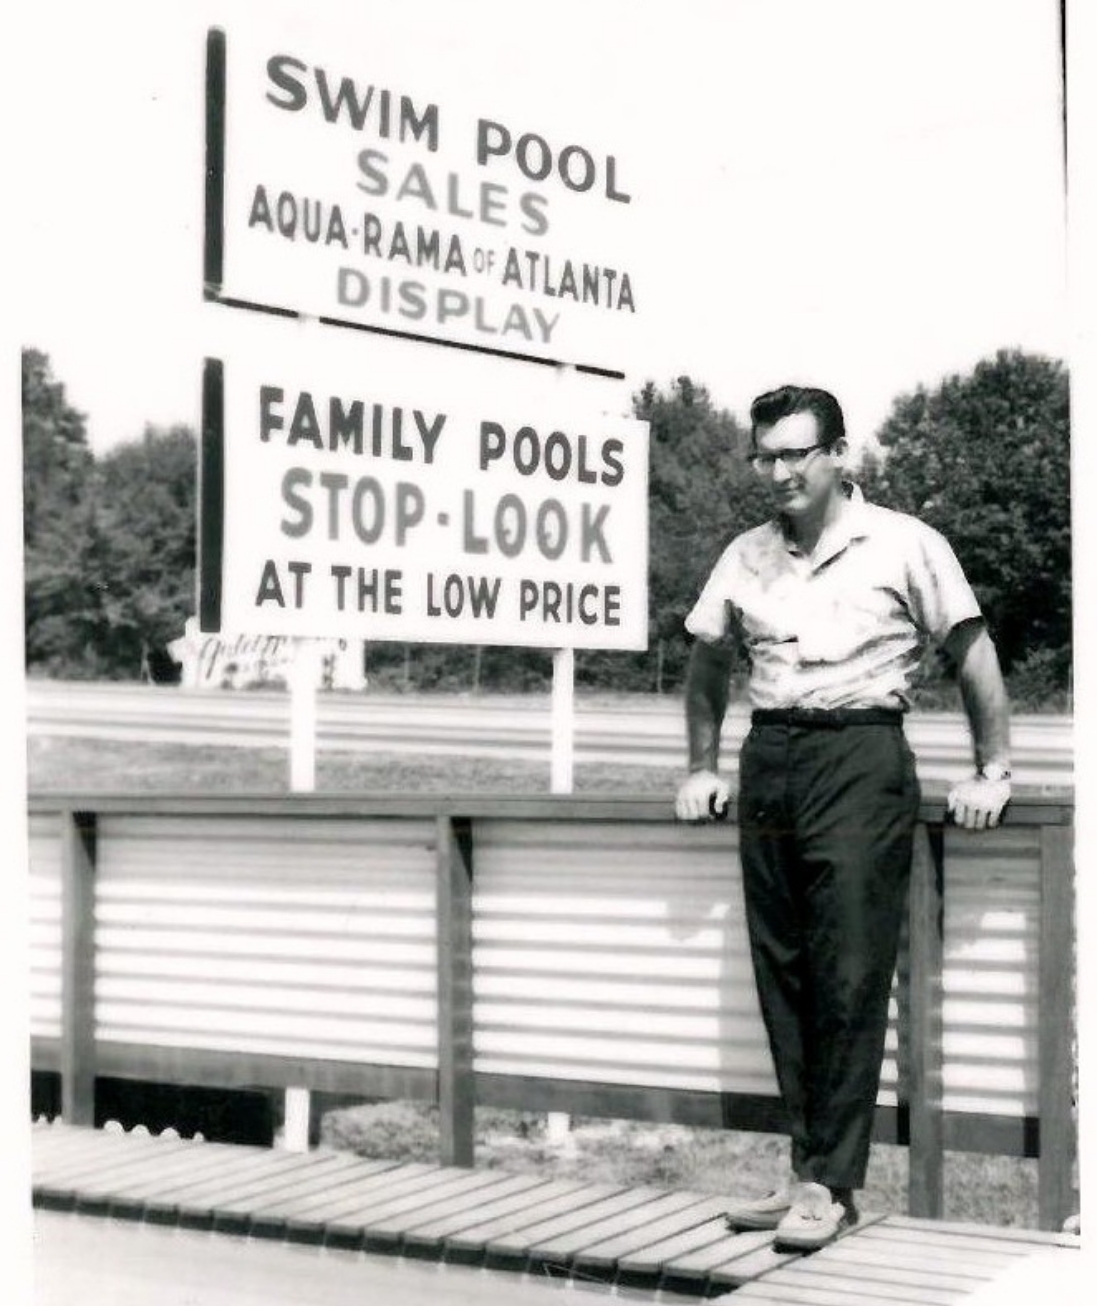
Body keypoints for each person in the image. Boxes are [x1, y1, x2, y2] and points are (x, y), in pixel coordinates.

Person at [674, 384, 1011, 1252]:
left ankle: (832, 1184)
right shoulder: (744, 554)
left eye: (795, 453)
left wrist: (993, 769)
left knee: (848, 974)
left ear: (836, 454)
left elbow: (971, 653)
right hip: (771, 757)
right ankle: (801, 1173)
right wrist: (702, 766)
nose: (778, 471)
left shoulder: (903, 542)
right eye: (765, 455)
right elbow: (708, 662)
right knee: (783, 970)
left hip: (860, 756)